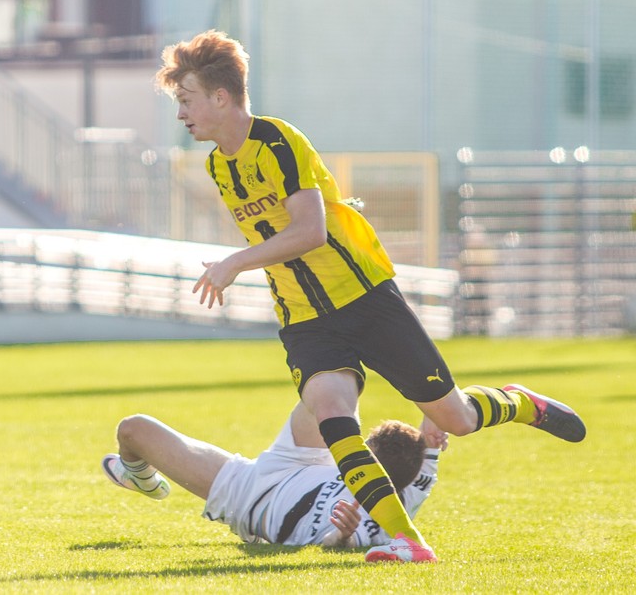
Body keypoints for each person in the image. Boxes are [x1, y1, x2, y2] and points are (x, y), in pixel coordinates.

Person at [155, 30, 587, 563]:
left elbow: (310, 232)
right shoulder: (219, 164)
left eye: (186, 99)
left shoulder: (278, 141)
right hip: (304, 318)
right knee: (334, 415)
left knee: (456, 421)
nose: (181, 114)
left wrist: (234, 263)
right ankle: (408, 540)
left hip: (363, 300)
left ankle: (521, 403)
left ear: (220, 97)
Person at [102, 403, 446, 548]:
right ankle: (138, 475)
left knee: (133, 429)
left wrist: (341, 537)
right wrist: (497, 402)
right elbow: (437, 414)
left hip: (252, 497)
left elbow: (328, 546)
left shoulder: (387, 523)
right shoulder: (418, 471)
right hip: (298, 463)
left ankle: (139, 478)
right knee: (331, 385)